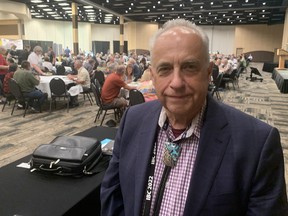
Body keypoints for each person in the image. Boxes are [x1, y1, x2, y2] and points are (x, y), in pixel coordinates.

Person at [100, 19, 288, 216]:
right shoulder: (132, 121)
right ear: (153, 77)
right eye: (165, 69)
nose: (177, 83)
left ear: (208, 74)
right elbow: (113, 196)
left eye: (189, 67)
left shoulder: (256, 145)